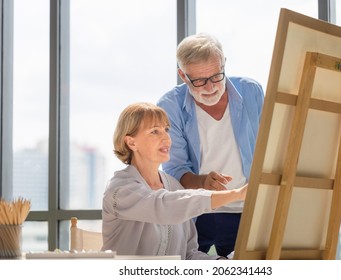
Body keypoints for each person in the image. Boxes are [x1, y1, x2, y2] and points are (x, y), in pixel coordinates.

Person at [157, 33, 264, 257]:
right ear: (183, 76)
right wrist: (203, 182)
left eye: (216, 76)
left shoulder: (251, 91)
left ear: (224, 63)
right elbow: (176, 169)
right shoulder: (169, 106)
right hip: (198, 211)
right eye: (199, 81)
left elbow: (270, 148)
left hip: (246, 210)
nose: (210, 87)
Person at [101, 102, 247, 260]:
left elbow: (188, 255)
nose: (166, 138)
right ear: (131, 142)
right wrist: (236, 194)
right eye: (155, 131)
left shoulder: (174, 186)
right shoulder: (120, 190)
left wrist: (223, 263)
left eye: (166, 130)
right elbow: (164, 207)